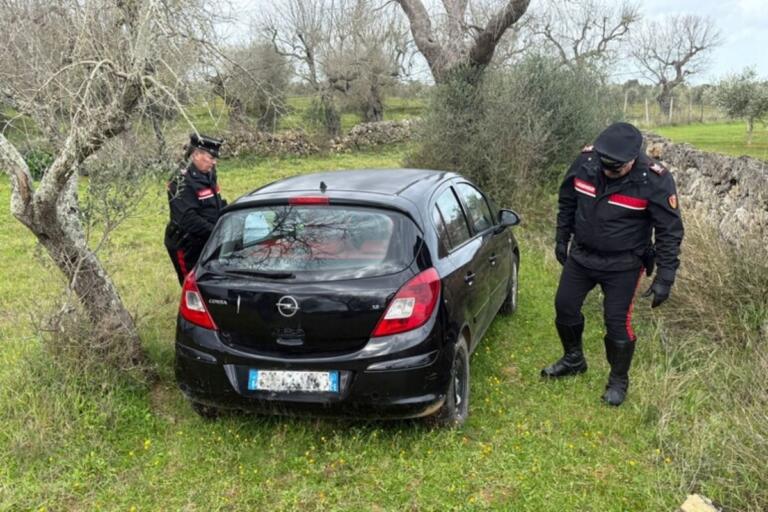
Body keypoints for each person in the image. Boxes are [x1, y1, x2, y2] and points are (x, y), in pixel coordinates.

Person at [541, 122, 684, 406]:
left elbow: (669, 231)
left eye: (615, 169)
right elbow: (567, 199)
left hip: (625, 263)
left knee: (616, 322)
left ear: (632, 160)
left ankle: (618, 380)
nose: (608, 172)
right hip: (582, 255)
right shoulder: (586, 161)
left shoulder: (655, 179)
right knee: (564, 306)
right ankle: (573, 359)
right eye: (604, 166)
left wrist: (665, 277)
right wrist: (561, 237)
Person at [165, 133, 226, 285]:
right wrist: (217, 232)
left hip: (208, 236)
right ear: (196, 155)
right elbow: (188, 219)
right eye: (211, 158)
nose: (214, 162)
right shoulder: (180, 180)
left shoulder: (208, 172)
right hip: (187, 242)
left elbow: (216, 202)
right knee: (192, 283)